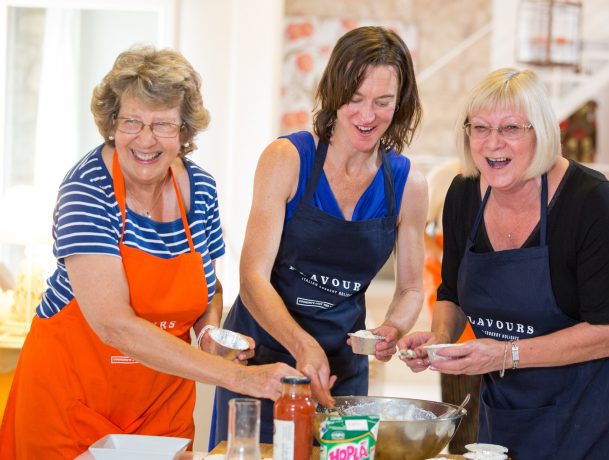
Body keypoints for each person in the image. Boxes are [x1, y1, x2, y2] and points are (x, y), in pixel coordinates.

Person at [0, 46, 297, 460]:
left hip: (162, 411)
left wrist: (208, 331)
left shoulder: (202, 190)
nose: (144, 139)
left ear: (185, 132)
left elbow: (208, 287)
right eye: (132, 122)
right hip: (71, 408)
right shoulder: (86, 191)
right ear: (112, 124)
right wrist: (238, 378)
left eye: (162, 125)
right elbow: (115, 325)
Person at [399, 68, 609, 460]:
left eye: (511, 127)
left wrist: (502, 354)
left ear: (542, 131)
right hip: (511, 402)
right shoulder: (464, 194)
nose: (492, 143)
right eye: (480, 127)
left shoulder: (591, 200)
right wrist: (439, 340)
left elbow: (605, 334)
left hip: (593, 403)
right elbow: (451, 292)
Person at [212, 25, 427, 445]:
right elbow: (253, 276)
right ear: (333, 93)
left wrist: (394, 328)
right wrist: (302, 344)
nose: (368, 116)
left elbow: (412, 289)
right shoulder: (288, 159)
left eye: (383, 102)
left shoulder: (407, 184)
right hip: (263, 360)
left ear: (400, 104)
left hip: (342, 369)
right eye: (355, 99)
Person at [423, 158, 481, 454]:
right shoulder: (453, 180)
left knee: (466, 425)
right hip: (454, 332)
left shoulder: (453, 179)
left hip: (473, 334)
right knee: (464, 424)